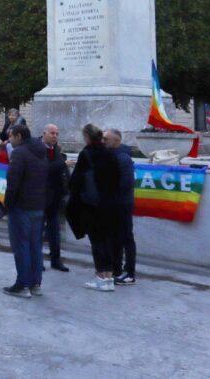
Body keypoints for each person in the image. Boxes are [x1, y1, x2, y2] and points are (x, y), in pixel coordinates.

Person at [67, 123, 121, 293]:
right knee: (107, 241)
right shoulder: (110, 154)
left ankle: (101, 277)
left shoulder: (86, 154)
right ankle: (109, 277)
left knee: (96, 241)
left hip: (92, 205)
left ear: (87, 137)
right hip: (110, 204)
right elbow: (117, 178)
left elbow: (76, 181)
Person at [2, 125, 47, 298]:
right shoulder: (41, 151)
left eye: (11, 137)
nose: (9, 140)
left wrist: (7, 204)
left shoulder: (19, 153)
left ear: (19, 136)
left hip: (21, 206)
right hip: (38, 205)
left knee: (21, 246)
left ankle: (23, 285)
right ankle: (35, 283)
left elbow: (13, 182)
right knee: (35, 246)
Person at [105, 128, 137, 285]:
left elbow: (126, 183)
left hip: (122, 204)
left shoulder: (122, 158)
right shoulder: (111, 155)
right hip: (113, 204)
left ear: (116, 141)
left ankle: (129, 272)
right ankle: (116, 268)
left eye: (107, 139)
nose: (103, 141)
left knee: (126, 238)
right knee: (114, 237)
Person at [40, 124, 70, 272]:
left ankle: (56, 260)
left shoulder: (57, 149)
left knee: (55, 231)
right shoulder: (37, 149)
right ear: (44, 133)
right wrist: (63, 164)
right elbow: (44, 168)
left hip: (56, 196)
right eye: (52, 133)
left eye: (57, 133)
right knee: (38, 231)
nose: (55, 136)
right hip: (41, 196)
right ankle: (38, 261)